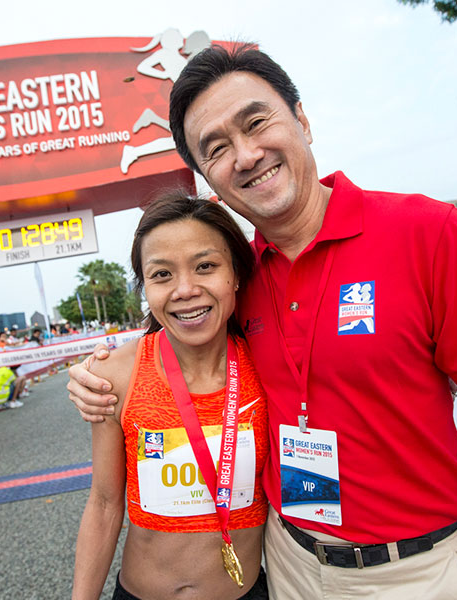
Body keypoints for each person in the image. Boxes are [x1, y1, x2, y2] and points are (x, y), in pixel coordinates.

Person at [69, 44, 457, 599]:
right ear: (207, 175)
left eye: (257, 122)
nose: (246, 154)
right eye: (217, 148)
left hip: (420, 571)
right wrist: (96, 376)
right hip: (288, 567)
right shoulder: (242, 278)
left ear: (302, 119)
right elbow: (180, 335)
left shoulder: (429, 235)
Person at [72, 191, 269, 600]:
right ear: (145, 286)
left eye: (205, 267)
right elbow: (106, 503)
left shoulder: (268, 365)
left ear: (235, 273)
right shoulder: (115, 374)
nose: (185, 289)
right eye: (162, 275)